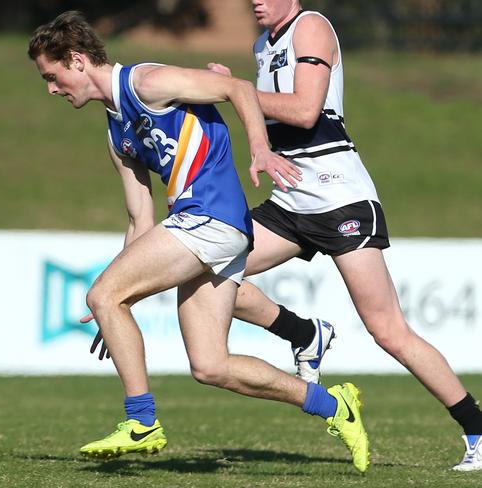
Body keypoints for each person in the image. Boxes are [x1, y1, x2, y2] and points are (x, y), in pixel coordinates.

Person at [28, 10, 369, 472]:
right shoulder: (116, 131)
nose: (51, 88)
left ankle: (141, 421)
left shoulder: (146, 83)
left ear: (77, 59)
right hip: (211, 229)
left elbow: (238, 89)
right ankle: (334, 406)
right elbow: (139, 217)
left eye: (52, 76)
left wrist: (260, 148)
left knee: (104, 294)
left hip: (209, 218)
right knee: (211, 366)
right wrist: (117, 302)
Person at [202, 0, 482, 472]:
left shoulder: (310, 27)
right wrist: (236, 94)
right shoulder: (261, 45)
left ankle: (476, 426)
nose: (256, 1)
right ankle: (304, 333)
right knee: (208, 265)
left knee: (387, 330)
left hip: (339, 201)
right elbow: (268, 120)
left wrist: (235, 91)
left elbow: (307, 111)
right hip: (290, 199)